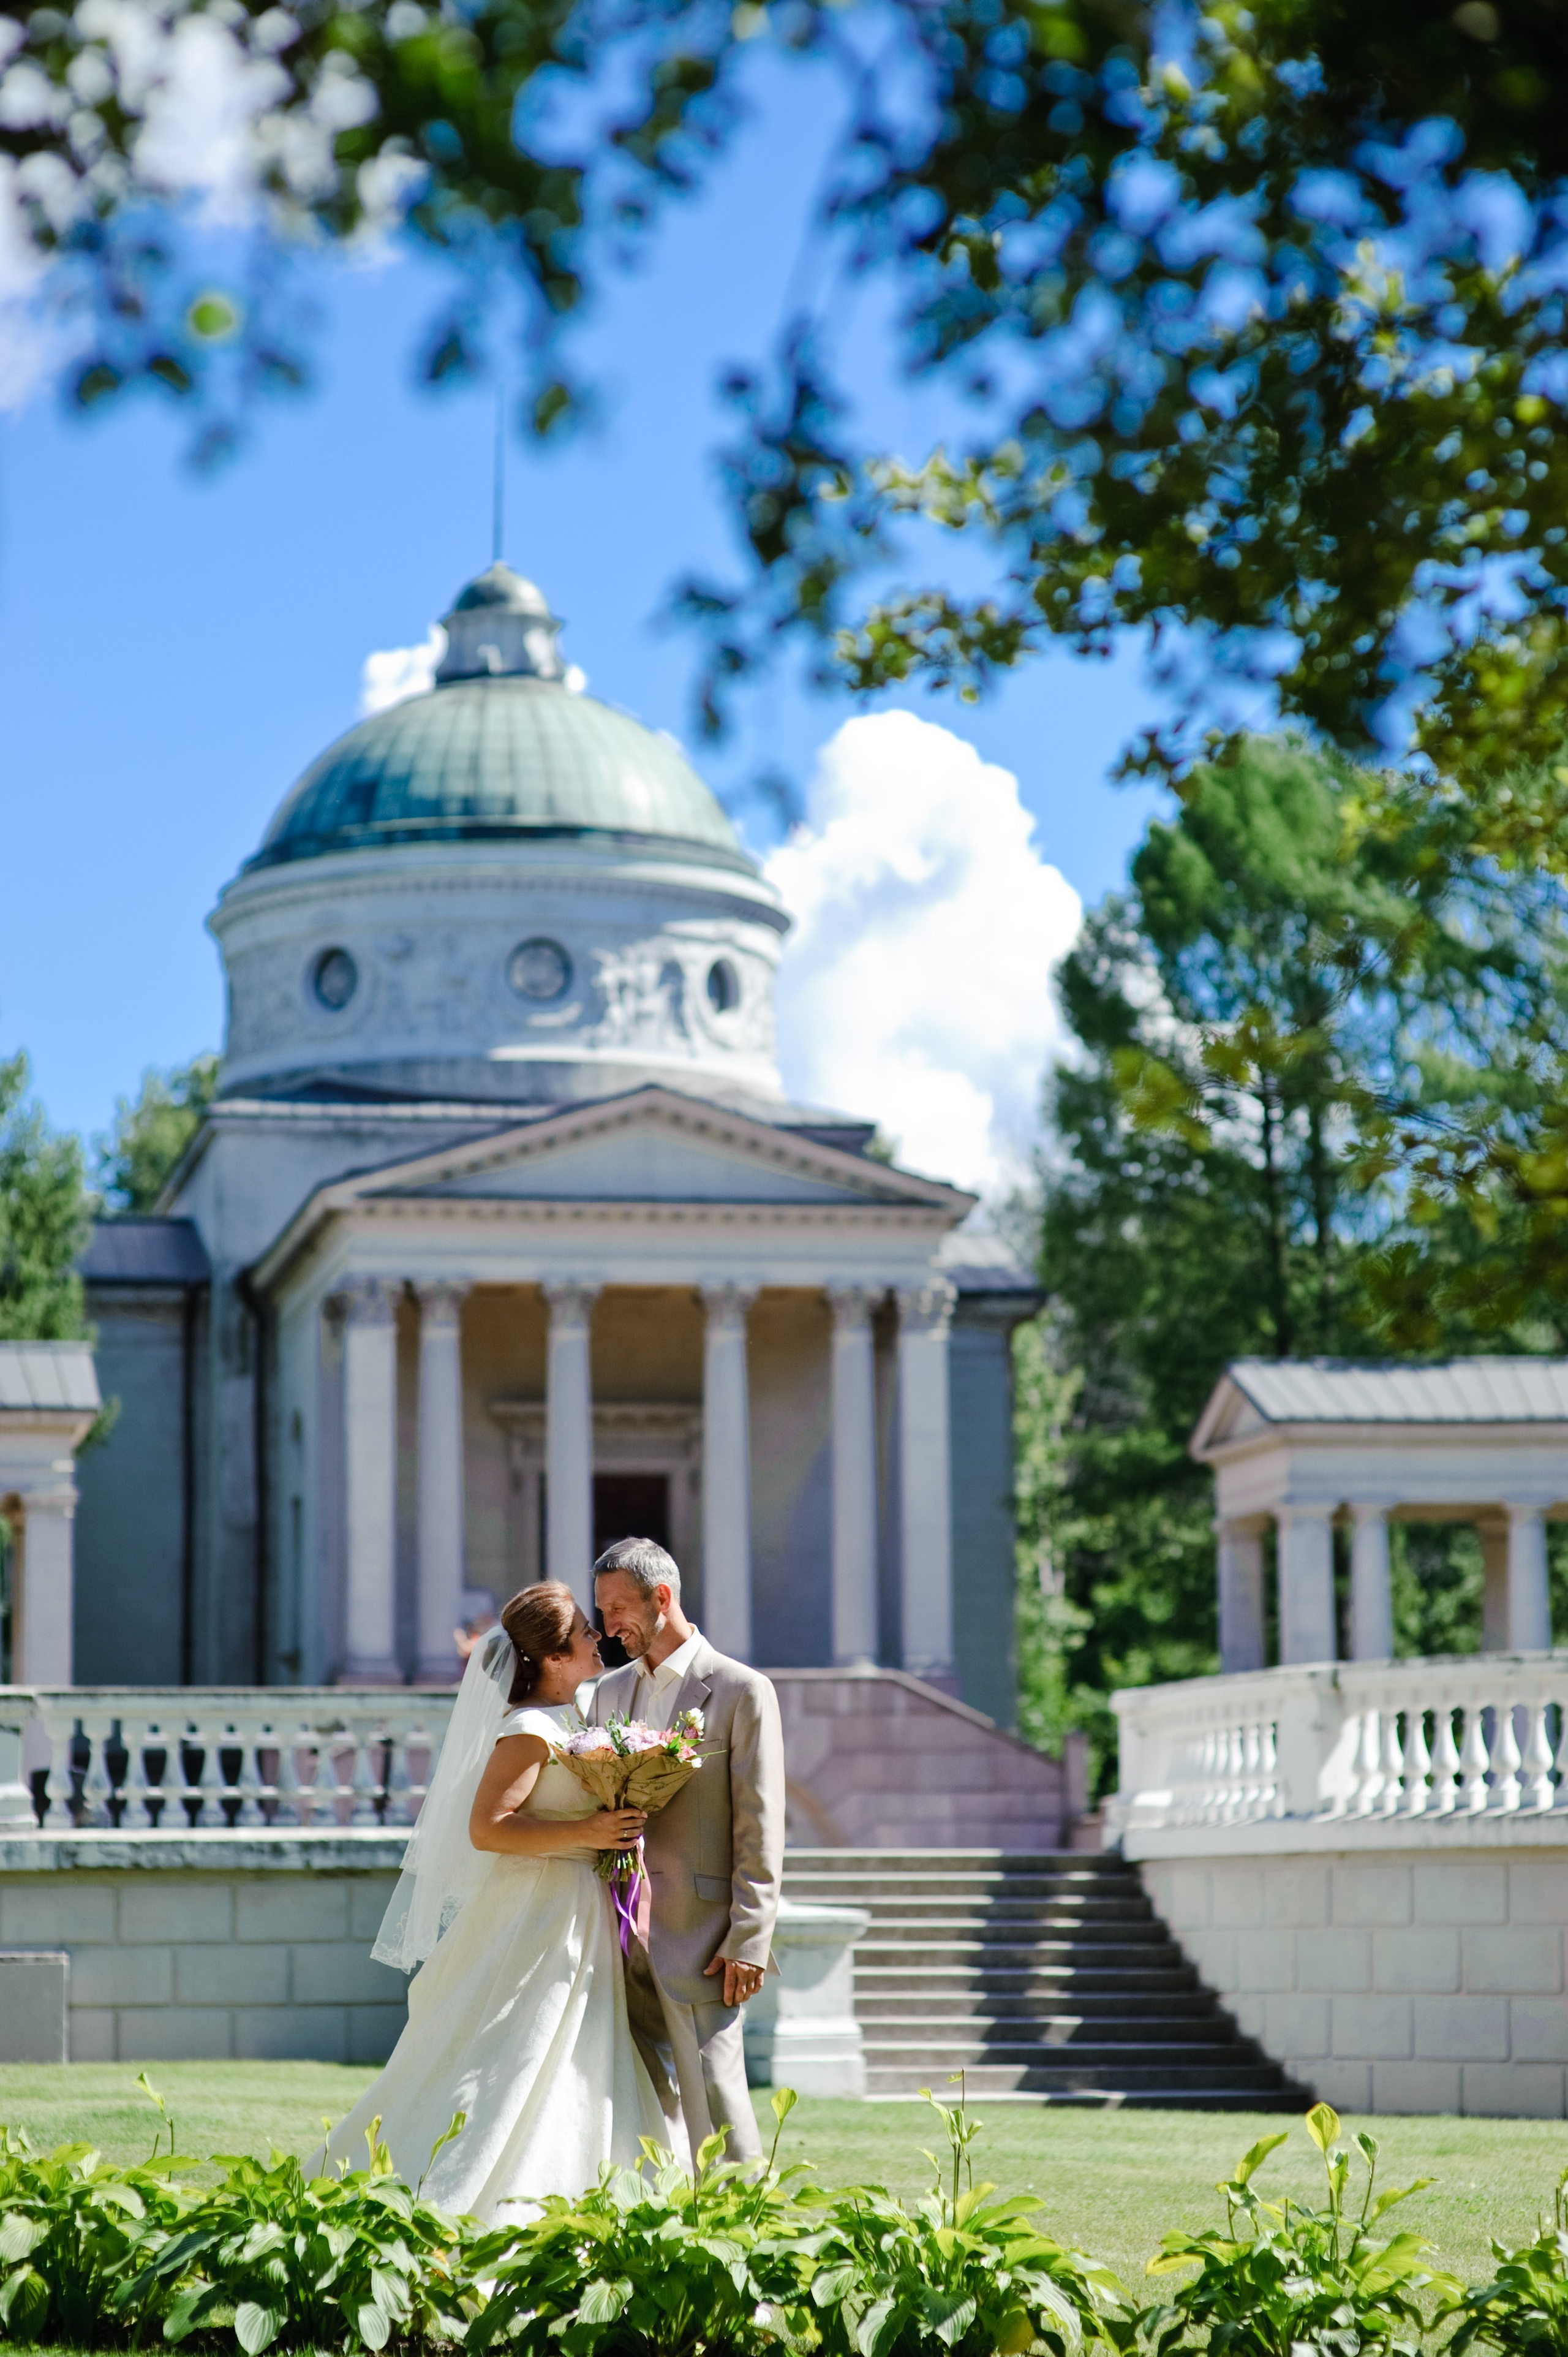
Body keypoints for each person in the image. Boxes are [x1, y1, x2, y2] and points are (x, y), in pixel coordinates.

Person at [317, 1582, 676, 2217]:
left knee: (574, 2049)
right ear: (554, 1658)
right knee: (519, 2049)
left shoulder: (576, 1718)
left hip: (577, 1906)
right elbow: (488, 1828)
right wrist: (589, 1832)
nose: (598, 1639)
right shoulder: (530, 1729)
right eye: (585, 1635)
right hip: (535, 1911)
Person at [589, 1536, 786, 2166]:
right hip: (615, 1935)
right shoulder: (605, 1695)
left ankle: (747, 2239)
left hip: (701, 1938)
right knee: (634, 2100)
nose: (608, 1624)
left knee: (717, 2100)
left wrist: (748, 1938)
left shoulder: (740, 1690)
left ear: (662, 1597)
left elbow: (761, 1825)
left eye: (618, 1607)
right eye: (602, 1608)